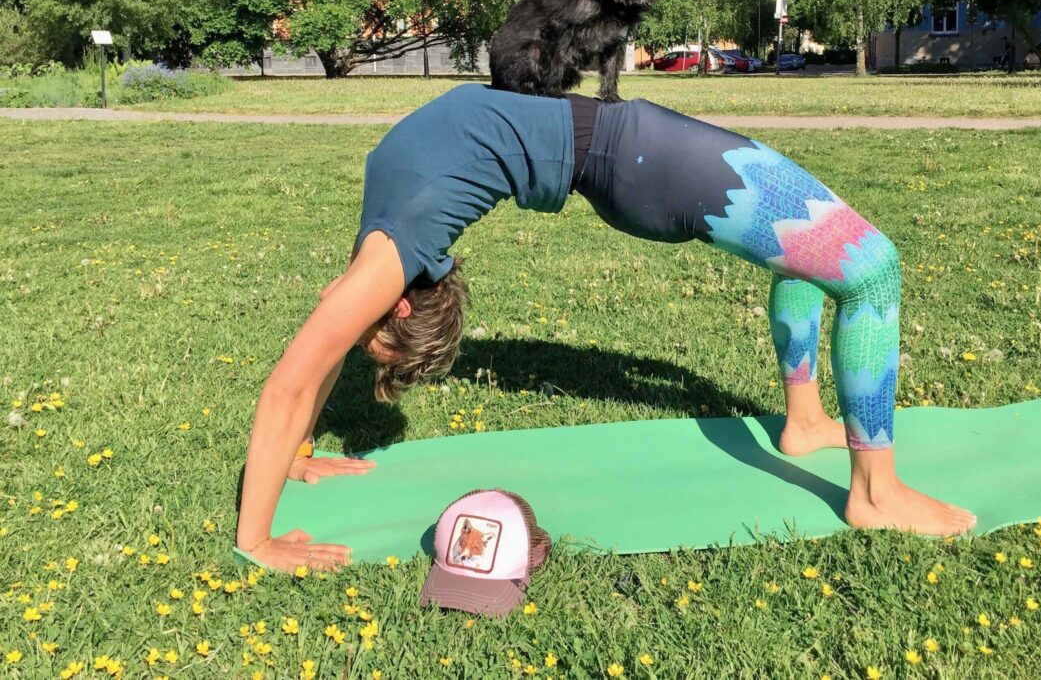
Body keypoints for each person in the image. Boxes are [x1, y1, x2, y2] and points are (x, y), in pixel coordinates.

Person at [236, 84, 976, 572]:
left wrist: (296, 456)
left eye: (364, 333)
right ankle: (876, 494)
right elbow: (295, 380)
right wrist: (260, 534)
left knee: (815, 254)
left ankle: (806, 420)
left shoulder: (383, 253)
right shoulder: (388, 253)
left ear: (395, 306)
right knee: (872, 267)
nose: (342, 319)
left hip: (639, 156)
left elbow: (305, 370)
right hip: (637, 158)